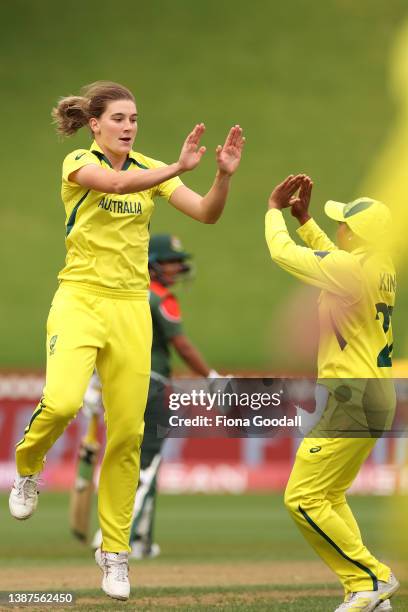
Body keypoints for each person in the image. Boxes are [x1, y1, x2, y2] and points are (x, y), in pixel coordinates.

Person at [9, 81, 244, 601]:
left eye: (134, 118)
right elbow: (114, 188)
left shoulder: (150, 169)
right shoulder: (77, 162)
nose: (128, 126)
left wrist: (221, 179)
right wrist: (178, 168)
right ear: (95, 124)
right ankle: (28, 468)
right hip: (80, 299)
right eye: (118, 118)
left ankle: (114, 554)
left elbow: (206, 213)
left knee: (128, 436)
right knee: (65, 401)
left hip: (130, 309)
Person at [265, 174, 399, 612]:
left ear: (355, 233)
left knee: (302, 499)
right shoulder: (379, 267)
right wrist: (305, 220)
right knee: (328, 496)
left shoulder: (348, 269)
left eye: (342, 221)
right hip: (377, 394)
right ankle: (366, 592)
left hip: (351, 396)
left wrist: (274, 212)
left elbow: (283, 254)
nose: (338, 225)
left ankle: (371, 580)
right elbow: (335, 260)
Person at [90, 233, 219, 558]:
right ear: (151, 264)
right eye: (170, 262)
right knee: (145, 465)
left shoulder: (122, 296)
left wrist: (94, 382)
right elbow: (182, 345)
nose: (176, 268)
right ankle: (114, 538)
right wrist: (212, 377)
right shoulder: (159, 298)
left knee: (126, 458)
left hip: (118, 384)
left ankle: (142, 540)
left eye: (178, 262)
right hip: (154, 386)